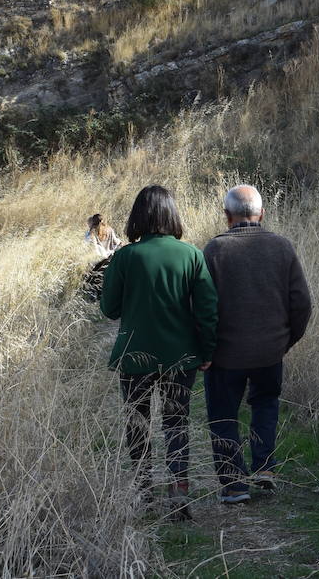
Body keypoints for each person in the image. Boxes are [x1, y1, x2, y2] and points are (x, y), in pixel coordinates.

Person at [100, 185, 218, 521]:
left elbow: (109, 309)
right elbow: (208, 310)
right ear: (172, 214)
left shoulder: (124, 257)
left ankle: (144, 493)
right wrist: (206, 350)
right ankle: (179, 492)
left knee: (138, 424)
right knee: (176, 423)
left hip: (135, 355)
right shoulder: (191, 255)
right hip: (180, 356)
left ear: (138, 215)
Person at [203, 185, 312, 505]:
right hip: (269, 352)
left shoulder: (214, 251)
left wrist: (205, 350)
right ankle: (264, 467)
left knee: (223, 416)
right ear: (262, 213)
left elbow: (203, 308)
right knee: (265, 404)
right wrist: (287, 340)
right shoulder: (282, 247)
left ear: (227, 216)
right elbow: (302, 303)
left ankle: (234, 484)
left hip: (225, 356)